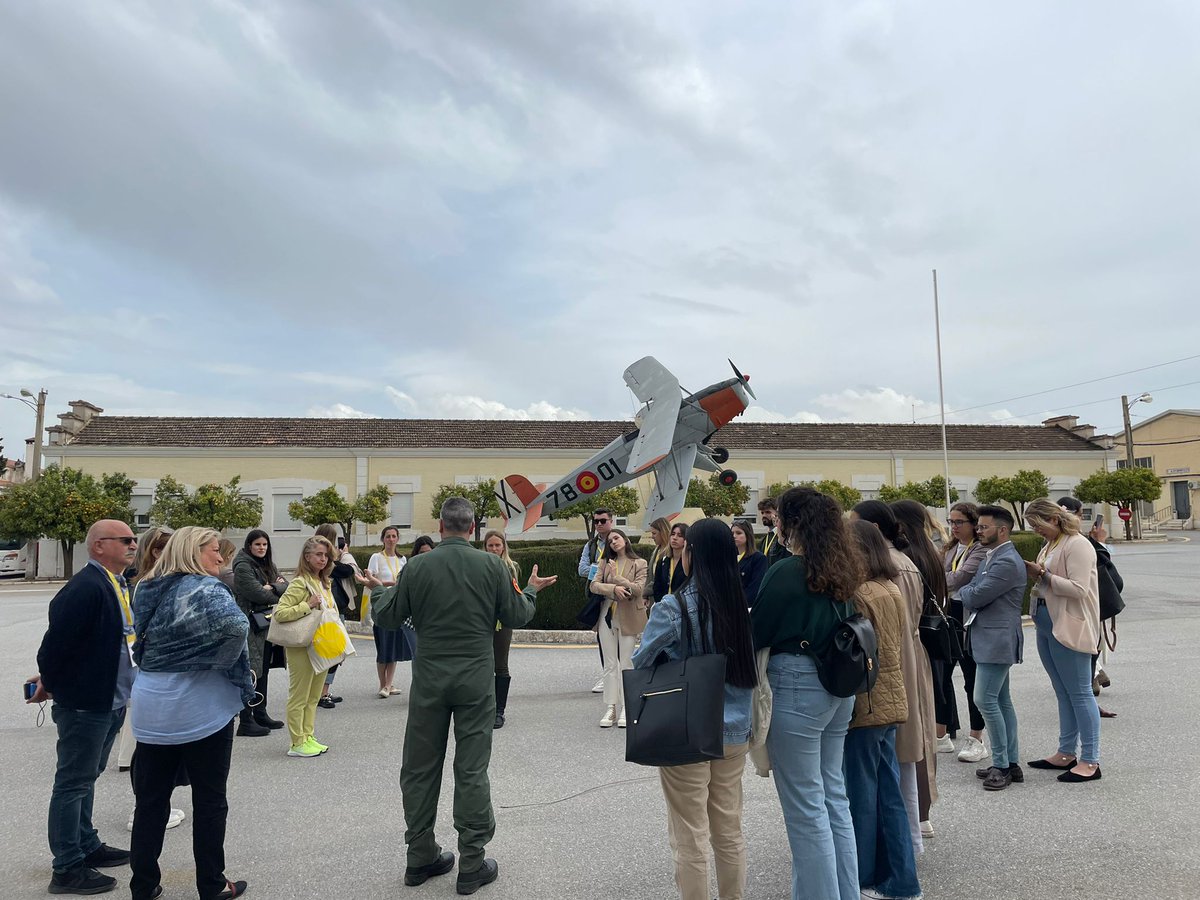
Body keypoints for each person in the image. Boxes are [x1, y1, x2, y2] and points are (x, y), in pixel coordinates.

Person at [372, 497, 556, 895]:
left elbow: (387, 616)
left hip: (430, 678)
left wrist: (374, 593)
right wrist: (530, 590)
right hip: (475, 678)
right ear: (473, 529)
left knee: (420, 766)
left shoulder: (417, 566)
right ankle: (472, 863)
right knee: (471, 768)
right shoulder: (491, 565)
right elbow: (517, 613)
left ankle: (419, 855)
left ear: (440, 527)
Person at [632, 518, 757, 900]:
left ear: (693, 556)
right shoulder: (742, 605)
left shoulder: (673, 606)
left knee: (689, 833)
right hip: (734, 728)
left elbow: (641, 661)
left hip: (687, 729)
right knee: (728, 828)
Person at [128, 526, 253, 900]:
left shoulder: (147, 586)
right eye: (215, 550)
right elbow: (237, 626)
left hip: (152, 708)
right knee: (210, 799)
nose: (221, 557)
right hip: (199, 709)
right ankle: (212, 885)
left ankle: (143, 885)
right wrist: (217, 661)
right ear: (193, 551)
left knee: (150, 802)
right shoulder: (206, 588)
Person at [752, 487, 862, 900]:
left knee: (805, 808)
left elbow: (757, 630)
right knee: (832, 796)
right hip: (837, 685)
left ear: (789, 522)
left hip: (796, 683)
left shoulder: (786, 570)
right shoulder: (843, 565)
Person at [28, 520, 137, 896]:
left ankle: (87, 844)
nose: (132, 544)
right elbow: (54, 647)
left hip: (111, 699)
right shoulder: (85, 587)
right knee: (72, 784)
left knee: (87, 778)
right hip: (86, 705)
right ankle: (67, 867)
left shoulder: (114, 583)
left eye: (133, 539)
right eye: (124, 540)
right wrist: (50, 683)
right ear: (98, 546)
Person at [851, 500, 936, 852]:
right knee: (906, 748)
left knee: (897, 753)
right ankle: (912, 830)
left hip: (895, 661)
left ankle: (904, 838)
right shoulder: (903, 562)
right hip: (909, 657)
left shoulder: (886, 569)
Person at [844, 519, 920, 900]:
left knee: (861, 795)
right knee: (888, 794)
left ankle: (863, 877)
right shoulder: (889, 586)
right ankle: (902, 881)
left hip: (867, 702)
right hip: (891, 697)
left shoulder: (858, 593)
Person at [1023, 498, 1103, 783]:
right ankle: (1066, 752)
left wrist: (1042, 573)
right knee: (1063, 691)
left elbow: (1080, 590)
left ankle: (1091, 760)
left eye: (1037, 525)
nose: (1036, 531)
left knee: (1080, 693)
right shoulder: (1052, 544)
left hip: (1069, 624)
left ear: (1054, 520)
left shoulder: (1077, 544)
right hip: (1047, 623)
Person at [115, 526, 185, 833]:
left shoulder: (146, 582)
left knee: (152, 745)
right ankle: (142, 809)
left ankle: (153, 806)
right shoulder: (148, 584)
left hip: (148, 672)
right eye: (164, 549)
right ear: (153, 552)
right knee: (143, 746)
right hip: (147, 674)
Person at [958, 505, 1027, 791]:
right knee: (1000, 701)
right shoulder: (992, 557)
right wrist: (969, 591)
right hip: (988, 637)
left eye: (984, 527)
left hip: (997, 639)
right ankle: (1010, 761)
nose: (978, 531)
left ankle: (1002, 765)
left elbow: (975, 594)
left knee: (984, 700)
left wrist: (966, 592)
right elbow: (972, 587)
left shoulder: (1006, 561)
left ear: (1002, 530)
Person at [1056, 496, 1123, 718]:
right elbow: (1099, 565)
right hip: (1080, 611)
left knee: (1088, 653)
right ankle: (1088, 697)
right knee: (1087, 652)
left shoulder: (1065, 540)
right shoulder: (1075, 541)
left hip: (1075, 610)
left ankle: (1092, 682)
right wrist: (1099, 541)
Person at [275, 535, 340, 758]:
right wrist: (307, 605)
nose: (323, 559)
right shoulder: (299, 583)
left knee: (313, 696)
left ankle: (308, 735)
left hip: (322, 644)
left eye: (326, 555)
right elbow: (280, 613)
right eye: (319, 555)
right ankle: (297, 742)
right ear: (307, 556)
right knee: (299, 695)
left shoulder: (324, 582)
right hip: (302, 646)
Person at [939, 503, 989, 761]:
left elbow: (959, 578)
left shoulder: (979, 549)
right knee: (942, 674)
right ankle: (941, 734)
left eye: (960, 522)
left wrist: (939, 577)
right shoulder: (951, 547)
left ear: (973, 523)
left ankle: (976, 738)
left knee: (971, 679)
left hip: (967, 615)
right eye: (951, 522)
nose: (955, 527)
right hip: (948, 613)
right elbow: (943, 573)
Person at [588, 528, 648, 728]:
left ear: (625, 540)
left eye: (617, 538)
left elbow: (638, 589)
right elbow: (594, 586)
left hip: (629, 616)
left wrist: (617, 579)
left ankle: (626, 707)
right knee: (610, 664)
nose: (613, 542)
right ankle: (611, 707)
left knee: (626, 663)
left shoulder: (640, 563)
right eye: (610, 540)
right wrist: (612, 588)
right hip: (607, 616)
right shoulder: (604, 563)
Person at [231, 530, 288, 737]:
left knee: (263, 668)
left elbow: (286, 585)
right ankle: (246, 720)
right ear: (249, 546)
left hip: (265, 623)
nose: (262, 548)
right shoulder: (243, 566)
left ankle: (260, 712)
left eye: (264, 544)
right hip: (250, 623)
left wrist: (271, 586)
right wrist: (274, 589)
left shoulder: (267, 565)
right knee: (251, 671)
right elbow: (256, 593)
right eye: (257, 545)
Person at [368, 525, 417, 700]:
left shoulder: (402, 559)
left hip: (397, 607)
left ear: (398, 539)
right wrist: (387, 584)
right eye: (387, 536)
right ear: (383, 539)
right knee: (384, 646)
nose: (391, 539)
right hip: (383, 605)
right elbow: (371, 580)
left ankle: (389, 683)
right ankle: (382, 684)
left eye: (394, 536)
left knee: (394, 646)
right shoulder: (376, 557)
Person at [483, 530, 520, 729]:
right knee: (483, 665)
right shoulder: (479, 565)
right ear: (485, 547)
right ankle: (484, 708)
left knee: (500, 665)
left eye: (498, 545)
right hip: (482, 621)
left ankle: (499, 711)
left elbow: (514, 596)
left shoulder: (511, 567)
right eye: (491, 545)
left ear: (503, 547)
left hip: (503, 622)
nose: (495, 549)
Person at [577, 508, 615, 692]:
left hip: (616, 596)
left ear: (611, 521)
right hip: (597, 596)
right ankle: (606, 675)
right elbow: (582, 570)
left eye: (603, 520)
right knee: (603, 637)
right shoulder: (590, 545)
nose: (599, 524)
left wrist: (597, 572)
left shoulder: (618, 541)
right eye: (596, 521)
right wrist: (602, 570)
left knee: (620, 637)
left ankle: (619, 674)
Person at [731, 520, 768, 606]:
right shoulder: (728, 557)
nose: (734, 536)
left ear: (748, 535)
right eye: (732, 533)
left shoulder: (758, 558)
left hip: (745, 608)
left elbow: (755, 588)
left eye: (739, 533)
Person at [653, 522, 689, 605]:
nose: (675, 538)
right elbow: (657, 587)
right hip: (664, 607)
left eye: (680, 535)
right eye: (673, 534)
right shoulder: (663, 561)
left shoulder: (690, 562)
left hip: (682, 607)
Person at [642, 516, 672, 605]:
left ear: (663, 532)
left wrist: (645, 591)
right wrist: (645, 595)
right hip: (653, 598)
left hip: (665, 599)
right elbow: (650, 573)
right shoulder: (656, 550)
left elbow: (663, 578)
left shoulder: (670, 552)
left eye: (654, 533)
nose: (652, 537)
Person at [757, 496, 791, 568]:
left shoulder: (783, 537)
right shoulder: (764, 540)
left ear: (777, 513)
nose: (764, 515)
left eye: (768, 512)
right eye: (762, 512)